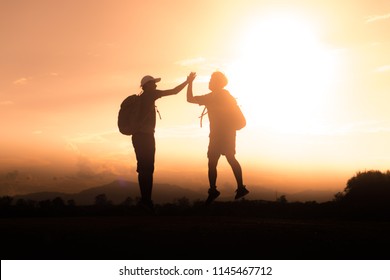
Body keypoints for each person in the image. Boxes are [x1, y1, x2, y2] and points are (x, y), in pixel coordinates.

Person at [187, 71, 249, 205]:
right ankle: (240, 187)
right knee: (230, 158)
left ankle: (214, 190)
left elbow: (190, 99)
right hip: (228, 134)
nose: (209, 82)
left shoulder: (212, 97)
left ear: (216, 83)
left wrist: (190, 82)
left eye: (211, 80)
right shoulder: (227, 96)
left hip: (217, 135)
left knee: (212, 162)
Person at [132, 74, 191, 212]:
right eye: (153, 83)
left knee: (142, 169)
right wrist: (187, 81)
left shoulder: (141, 98)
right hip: (146, 137)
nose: (156, 85)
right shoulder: (150, 95)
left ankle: (144, 200)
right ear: (146, 86)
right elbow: (174, 91)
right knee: (148, 169)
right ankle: (147, 202)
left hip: (137, 137)